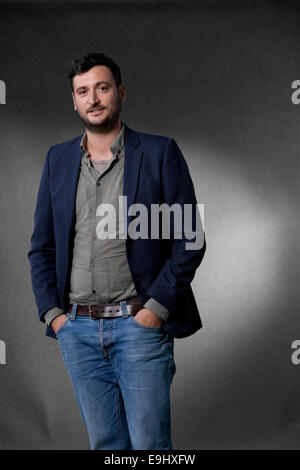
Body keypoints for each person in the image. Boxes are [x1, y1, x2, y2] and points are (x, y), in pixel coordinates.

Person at [27, 52, 206, 450]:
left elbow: (189, 237)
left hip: (138, 325)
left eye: (102, 88)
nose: (93, 99)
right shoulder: (57, 159)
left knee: (150, 445)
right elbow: (42, 246)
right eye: (83, 91)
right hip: (77, 328)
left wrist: (155, 309)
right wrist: (54, 315)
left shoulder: (159, 153)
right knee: (106, 445)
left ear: (120, 93)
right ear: (73, 100)